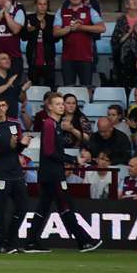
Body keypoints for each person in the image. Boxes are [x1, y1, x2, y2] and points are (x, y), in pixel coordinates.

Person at [30, 91, 102, 251]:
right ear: (49, 107)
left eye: (62, 104)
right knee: (65, 206)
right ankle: (84, 240)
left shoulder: (54, 125)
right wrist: (73, 160)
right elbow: (49, 152)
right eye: (58, 104)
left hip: (49, 173)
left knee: (44, 208)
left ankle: (31, 241)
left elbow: (51, 151)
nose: (62, 107)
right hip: (53, 174)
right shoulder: (50, 124)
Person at [0, 97, 35, 254]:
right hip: (1, 173)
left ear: (7, 107)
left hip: (16, 172)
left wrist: (22, 144)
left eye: (3, 105)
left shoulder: (15, 123)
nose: (0, 108)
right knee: (0, 210)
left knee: (23, 208)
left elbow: (17, 150)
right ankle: (0, 244)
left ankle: (11, 241)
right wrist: (9, 146)